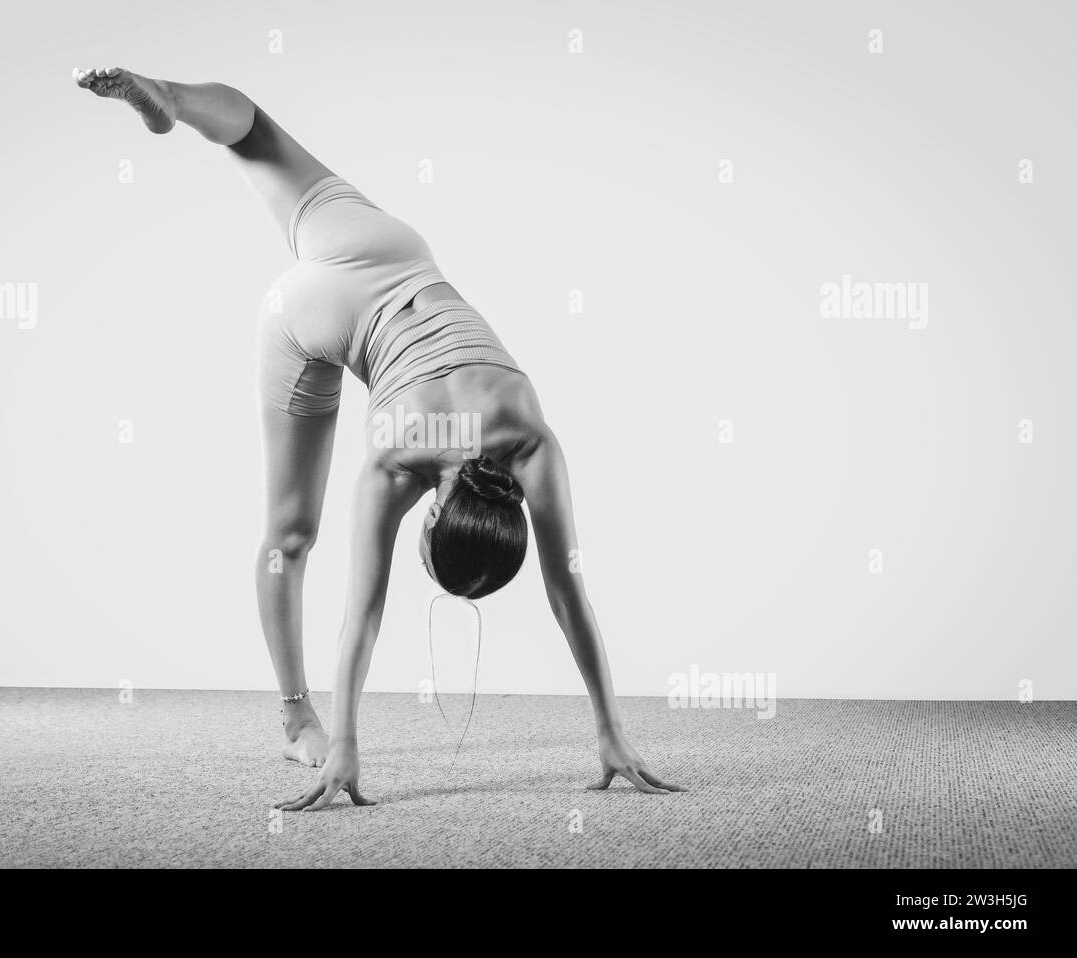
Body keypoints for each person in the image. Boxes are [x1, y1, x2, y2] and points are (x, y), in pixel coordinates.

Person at [73, 66, 685, 810]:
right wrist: (345, 749)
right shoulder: (398, 460)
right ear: (431, 514)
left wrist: (610, 725)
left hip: (389, 251)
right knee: (290, 537)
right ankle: (297, 716)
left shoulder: (530, 441)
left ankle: (177, 101)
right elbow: (366, 612)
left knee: (257, 132)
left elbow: (566, 591)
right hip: (308, 317)